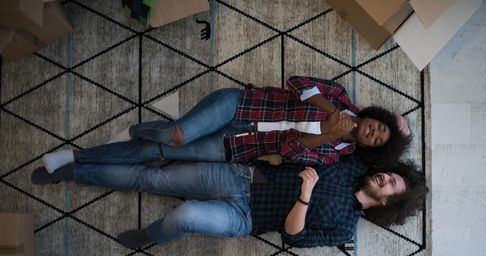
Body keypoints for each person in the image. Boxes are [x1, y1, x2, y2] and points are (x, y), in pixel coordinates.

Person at [31, 153, 427, 249]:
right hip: (243, 176)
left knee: (184, 213)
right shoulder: (351, 167)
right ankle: (74, 172)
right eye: (391, 173)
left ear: (386, 204)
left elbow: (292, 237)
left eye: (391, 185)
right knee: (151, 177)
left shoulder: (344, 227)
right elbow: (370, 130)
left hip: (243, 216)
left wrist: (305, 197)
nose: (385, 178)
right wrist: (398, 131)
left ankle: (151, 235)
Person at [41, 76, 411, 173]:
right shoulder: (340, 96)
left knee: (155, 154)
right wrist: (329, 111)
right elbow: (297, 82)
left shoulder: (335, 154)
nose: (374, 133)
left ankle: (78, 157)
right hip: (238, 104)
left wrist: (327, 136)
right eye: (378, 127)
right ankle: (138, 127)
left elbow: (288, 153)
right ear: (371, 117)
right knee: (177, 134)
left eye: (377, 140)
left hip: (236, 147)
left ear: (367, 147)